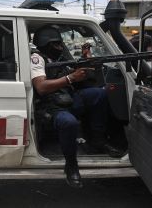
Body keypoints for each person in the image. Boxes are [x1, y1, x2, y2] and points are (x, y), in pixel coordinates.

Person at [30, 25, 124, 188]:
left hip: (68, 98)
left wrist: (85, 59)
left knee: (98, 94)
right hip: (52, 105)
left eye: (61, 43)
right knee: (69, 123)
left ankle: (97, 140)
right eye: (57, 44)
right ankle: (71, 165)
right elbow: (41, 87)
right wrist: (71, 78)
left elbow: (75, 75)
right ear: (46, 44)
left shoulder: (59, 58)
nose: (61, 47)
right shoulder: (37, 58)